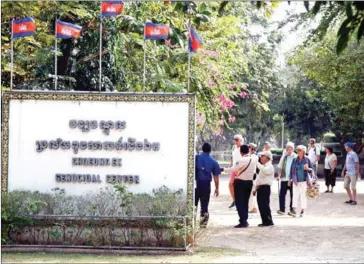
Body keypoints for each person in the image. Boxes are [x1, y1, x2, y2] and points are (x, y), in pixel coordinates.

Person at [223, 145, 257, 228]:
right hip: (249, 182)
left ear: (241, 152)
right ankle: (245, 220)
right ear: (248, 151)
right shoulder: (253, 160)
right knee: (245, 202)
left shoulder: (241, 160)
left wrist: (223, 169)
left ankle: (243, 221)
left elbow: (233, 169)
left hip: (240, 182)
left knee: (239, 202)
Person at [195, 142, 221, 228]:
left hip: (195, 185)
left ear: (202, 149)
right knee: (204, 205)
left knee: (193, 205)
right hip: (206, 186)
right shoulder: (213, 162)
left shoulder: (196, 158)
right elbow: (216, 177)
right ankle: (203, 225)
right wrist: (217, 189)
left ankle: (191, 225)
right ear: (210, 151)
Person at [288, 145, 313, 217]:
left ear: (303, 151)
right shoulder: (294, 159)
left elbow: (312, 170)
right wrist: (290, 179)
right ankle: (294, 210)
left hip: (305, 180)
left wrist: (307, 169)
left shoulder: (307, 159)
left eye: (299, 150)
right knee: (295, 195)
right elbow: (291, 170)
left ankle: (303, 210)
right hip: (296, 180)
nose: (297, 151)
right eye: (297, 150)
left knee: (303, 195)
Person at [253, 151, 274, 227]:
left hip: (265, 188)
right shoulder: (263, 166)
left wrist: (257, 163)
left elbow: (265, 171)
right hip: (260, 188)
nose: (261, 157)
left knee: (265, 205)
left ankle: (268, 221)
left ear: (267, 157)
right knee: (261, 205)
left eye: (263, 156)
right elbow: (259, 179)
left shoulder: (270, 166)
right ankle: (264, 221)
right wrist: (255, 188)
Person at [277, 142, 296, 215]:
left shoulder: (295, 157)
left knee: (292, 195)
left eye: (290, 148)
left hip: (292, 179)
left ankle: (292, 210)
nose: (289, 149)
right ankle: (282, 209)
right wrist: (278, 175)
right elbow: (279, 166)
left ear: (292, 149)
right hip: (284, 178)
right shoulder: (284, 156)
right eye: (287, 148)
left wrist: (292, 179)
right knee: (282, 194)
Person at [228, 134, 243, 208]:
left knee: (239, 187)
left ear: (241, 140)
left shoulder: (243, 148)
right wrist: (231, 166)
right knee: (230, 185)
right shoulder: (234, 147)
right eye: (235, 139)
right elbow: (232, 157)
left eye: (237, 139)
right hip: (234, 168)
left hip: (240, 169)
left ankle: (240, 202)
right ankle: (235, 200)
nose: (235, 141)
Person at [248, 143, 258, 213]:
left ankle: (251, 207)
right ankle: (254, 207)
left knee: (252, 192)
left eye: (249, 147)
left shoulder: (254, 157)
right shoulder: (252, 156)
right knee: (252, 192)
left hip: (253, 176)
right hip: (252, 176)